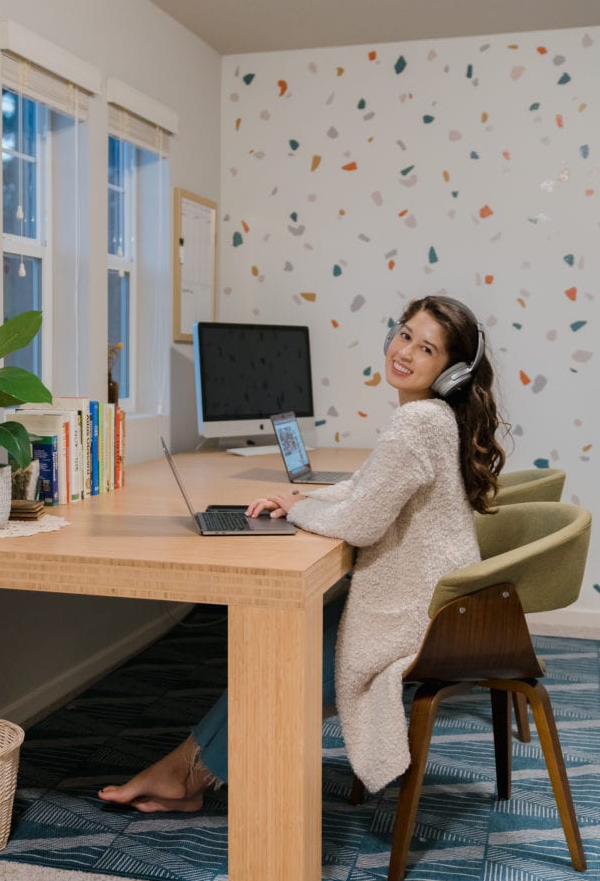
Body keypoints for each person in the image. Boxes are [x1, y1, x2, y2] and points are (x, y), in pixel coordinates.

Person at [99, 295, 507, 811]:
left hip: (420, 616)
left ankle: (188, 775)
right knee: (282, 643)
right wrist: (305, 500)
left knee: (280, 655)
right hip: (438, 605)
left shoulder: (418, 422)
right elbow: (368, 487)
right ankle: (187, 770)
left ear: (449, 371)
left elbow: (362, 520)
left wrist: (295, 512)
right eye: (404, 334)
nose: (404, 352)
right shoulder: (433, 417)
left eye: (426, 348)